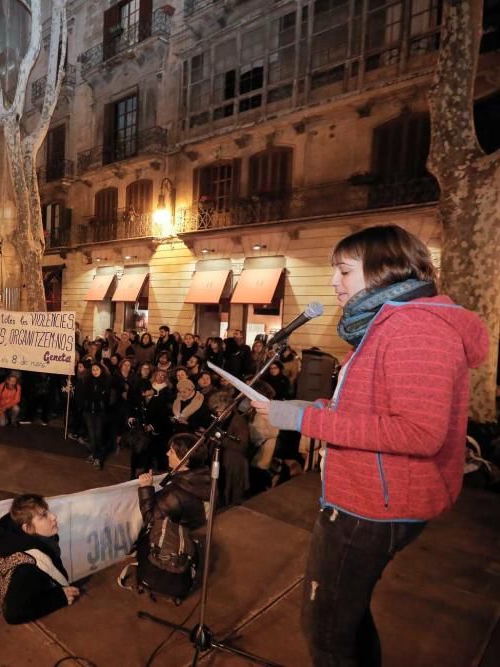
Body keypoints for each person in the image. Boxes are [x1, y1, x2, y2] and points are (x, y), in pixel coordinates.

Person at [251, 224, 488, 667]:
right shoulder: (389, 326)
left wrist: (308, 419)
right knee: (347, 618)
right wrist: (304, 408)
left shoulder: (415, 328)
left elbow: (418, 431)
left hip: (373, 507)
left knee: (327, 632)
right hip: (367, 499)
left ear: (384, 271)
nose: (333, 282)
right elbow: (364, 406)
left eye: (344, 270)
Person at [134, 434, 211, 600]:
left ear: (186, 461)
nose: (167, 453)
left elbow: (151, 520)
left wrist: (146, 489)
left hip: (173, 545)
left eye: (172, 451)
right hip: (194, 541)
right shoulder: (206, 478)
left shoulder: (174, 495)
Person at [0, 494, 78, 624]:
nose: (53, 517)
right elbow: (13, 614)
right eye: (43, 516)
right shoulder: (28, 568)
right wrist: (59, 598)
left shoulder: (15, 534)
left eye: (48, 511)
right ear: (28, 528)